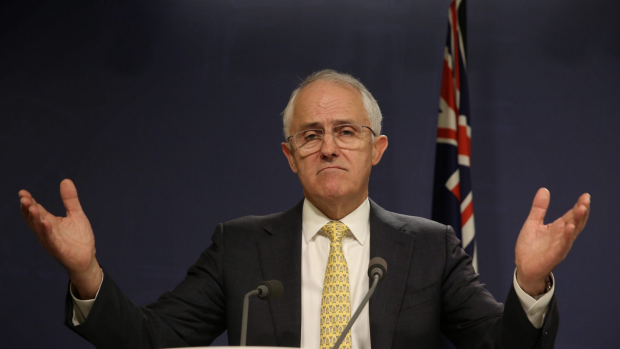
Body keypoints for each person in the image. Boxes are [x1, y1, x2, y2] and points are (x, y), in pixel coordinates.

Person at [19, 70, 590, 349]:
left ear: (377, 149)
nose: (330, 146)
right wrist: (85, 273)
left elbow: (502, 348)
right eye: (311, 134)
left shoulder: (430, 246)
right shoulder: (240, 246)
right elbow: (152, 340)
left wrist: (531, 282)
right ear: (290, 156)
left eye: (346, 131)